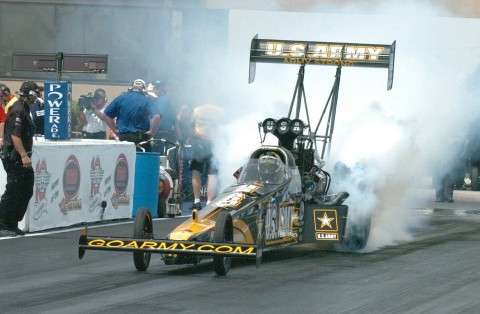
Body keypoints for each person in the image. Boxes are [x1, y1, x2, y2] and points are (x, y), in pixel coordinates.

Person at [0, 81, 37, 237]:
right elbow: (15, 135)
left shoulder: (24, 108)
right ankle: (3, 223)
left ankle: (12, 222)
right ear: (31, 94)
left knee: (26, 188)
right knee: (13, 190)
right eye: (36, 93)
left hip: (21, 157)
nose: (38, 96)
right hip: (15, 157)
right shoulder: (19, 109)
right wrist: (23, 155)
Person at [102, 79, 160, 152]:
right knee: (141, 161)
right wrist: (151, 132)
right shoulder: (146, 100)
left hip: (123, 139)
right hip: (140, 139)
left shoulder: (120, 98)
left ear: (131, 87)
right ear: (143, 89)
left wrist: (115, 130)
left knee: (124, 161)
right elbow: (157, 116)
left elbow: (105, 115)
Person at [189, 103, 224, 210]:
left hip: (199, 141)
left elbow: (191, 124)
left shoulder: (197, 109)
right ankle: (209, 201)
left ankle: (197, 201)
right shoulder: (220, 110)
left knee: (196, 171)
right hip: (214, 142)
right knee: (212, 174)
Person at [147, 80, 179, 154]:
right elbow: (175, 122)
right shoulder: (165, 100)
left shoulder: (162, 100)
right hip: (168, 135)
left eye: (158, 87)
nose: (156, 90)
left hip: (160, 135)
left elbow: (157, 116)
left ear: (163, 88)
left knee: (159, 159)